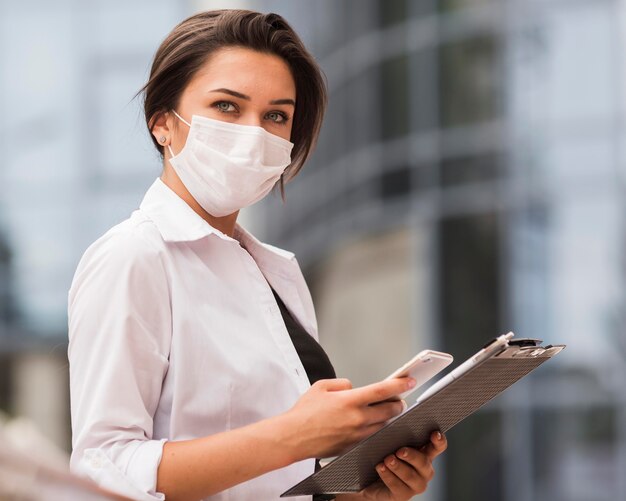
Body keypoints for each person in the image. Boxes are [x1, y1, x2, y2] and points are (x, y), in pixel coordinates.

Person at [67, 9, 447, 501]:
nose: (254, 133)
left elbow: (270, 483)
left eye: (276, 116)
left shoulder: (278, 275)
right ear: (162, 123)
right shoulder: (133, 257)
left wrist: (366, 495)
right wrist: (294, 436)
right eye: (227, 106)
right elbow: (103, 469)